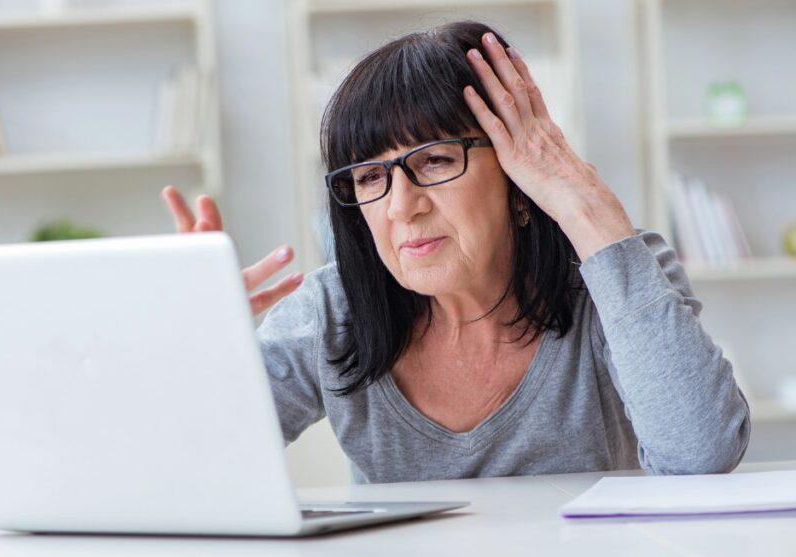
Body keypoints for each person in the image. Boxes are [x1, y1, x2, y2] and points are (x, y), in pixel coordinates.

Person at [162, 20, 750, 483]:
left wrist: (587, 208)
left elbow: (701, 454)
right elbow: (190, 464)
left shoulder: (617, 272)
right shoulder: (330, 311)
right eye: (370, 177)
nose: (401, 207)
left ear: (520, 177)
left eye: (436, 160)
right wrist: (193, 349)